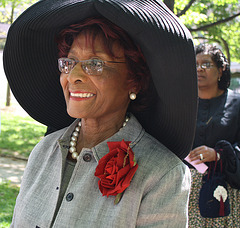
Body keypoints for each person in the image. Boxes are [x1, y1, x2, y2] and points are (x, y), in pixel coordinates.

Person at [3, 0, 198, 227]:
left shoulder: (162, 176)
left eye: (95, 63)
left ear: (134, 81)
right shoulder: (44, 150)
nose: (73, 75)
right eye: (70, 62)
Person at [187, 44, 240, 227]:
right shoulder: (183, 104)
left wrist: (218, 155)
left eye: (206, 64)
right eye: (195, 64)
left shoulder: (236, 103)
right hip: (186, 189)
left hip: (224, 190)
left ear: (221, 70)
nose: (199, 68)